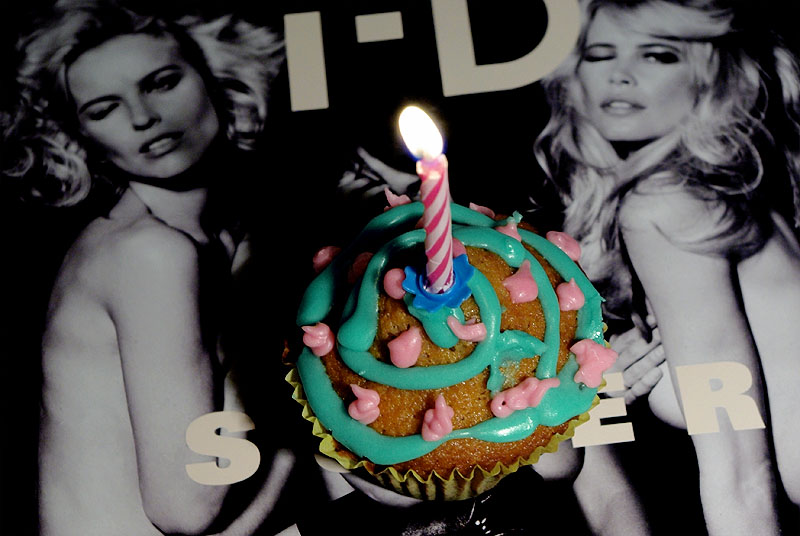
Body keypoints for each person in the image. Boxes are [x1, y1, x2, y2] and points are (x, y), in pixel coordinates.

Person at [1, 1, 306, 534]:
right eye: (103, 109)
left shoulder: (208, 240)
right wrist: (301, 432)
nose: (143, 117)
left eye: (162, 83)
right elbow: (186, 510)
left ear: (216, 77)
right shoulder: (148, 255)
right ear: (80, 135)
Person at [535, 0, 800, 533]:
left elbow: (741, 476)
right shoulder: (718, 193)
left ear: (708, 75)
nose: (621, 75)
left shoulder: (665, 205)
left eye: (657, 55)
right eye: (600, 54)